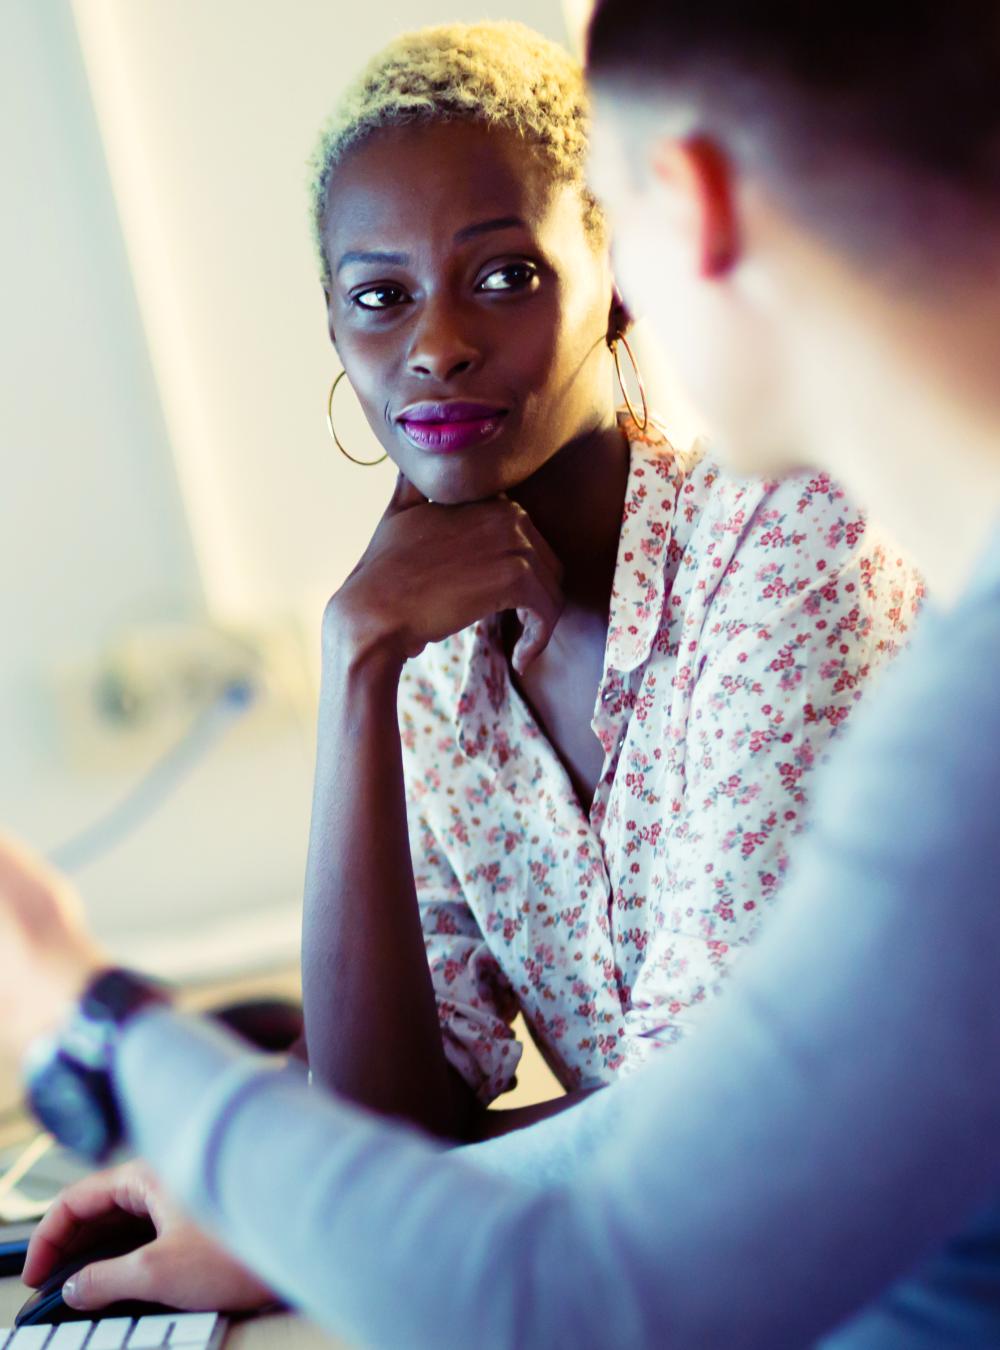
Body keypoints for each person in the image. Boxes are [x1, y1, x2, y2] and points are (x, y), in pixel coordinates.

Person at [2, 1, 999, 1345]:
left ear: (640, 242)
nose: (439, 345)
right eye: (379, 297)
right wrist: (357, 668)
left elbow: (676, 1142)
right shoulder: (426, 644)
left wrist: (87, 1019)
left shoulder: (792, 534)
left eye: (507, 273)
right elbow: (408, 1115)